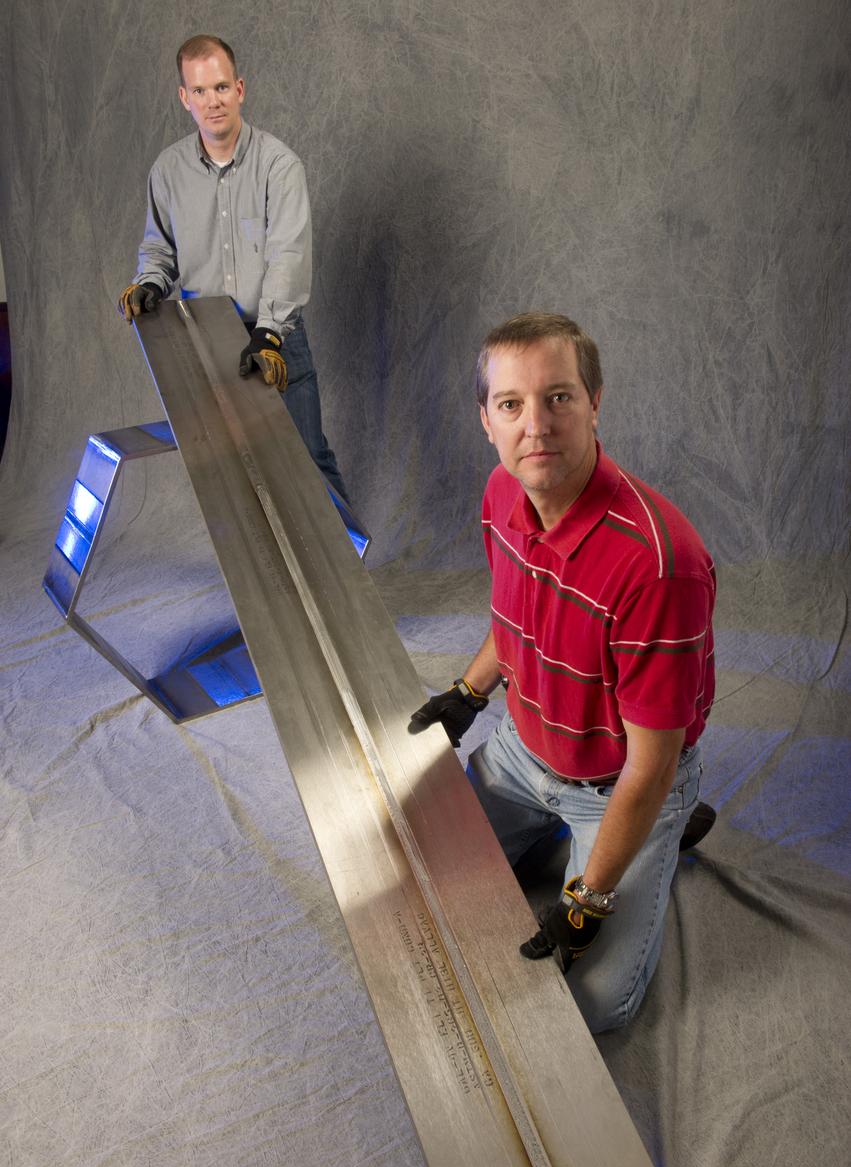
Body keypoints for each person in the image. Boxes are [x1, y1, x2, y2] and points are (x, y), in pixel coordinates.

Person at [410, 313, 716, 1034]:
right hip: (525, 750)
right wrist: (469, 691)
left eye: (558, 398)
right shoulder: (500, 494)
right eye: (511, 404)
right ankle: (604, 836)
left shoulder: (658, 565)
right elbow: (518, 620)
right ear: (485, 420)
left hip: (620, 784)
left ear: (594, 402)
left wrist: (590, 900)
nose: (535, 426)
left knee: (588, 1002)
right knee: (413, 868)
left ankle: (660, 837)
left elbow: (649, 764)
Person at [117, 34, 349, 503]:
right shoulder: (168, 171)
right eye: (199, 91)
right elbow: (160, 249)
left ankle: (349, 569)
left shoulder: (279, 165)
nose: (212, 101)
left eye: (221, 87)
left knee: (306, 456)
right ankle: (269, 574)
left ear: (240, 88)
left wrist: (268, 335)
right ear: (185, 98)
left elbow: (288, 254)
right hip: (205, 337)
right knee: (233, 466)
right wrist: (149, 283)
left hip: (275, 334)